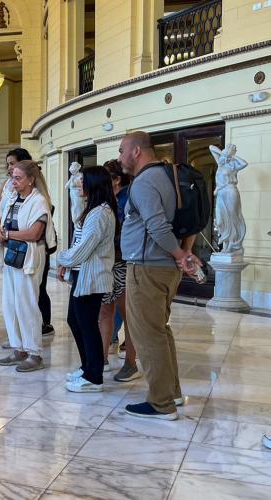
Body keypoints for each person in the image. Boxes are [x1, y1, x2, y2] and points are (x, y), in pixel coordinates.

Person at [119, 131, 200, 420]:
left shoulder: (144, 182)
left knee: (147, 335)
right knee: (160, 331)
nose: (120, 158)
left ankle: (160, 403)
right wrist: (184, 252)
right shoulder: (169, 175)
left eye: (121, 151)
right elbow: (191, 218)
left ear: (137, 151)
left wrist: (181, 256)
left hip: (147, 267)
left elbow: (156, 225)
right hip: (163, 268)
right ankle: (172, 393)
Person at [57, 166, 117, 393]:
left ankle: (94, 377)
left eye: (83, 181)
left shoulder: (101, 212)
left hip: (92, 275)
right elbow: (79, 240)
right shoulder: (91, 209)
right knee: (75, 320)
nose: (78, 185)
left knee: (87, 324)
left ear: (95, 184)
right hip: (82, 273)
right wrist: (67, 262)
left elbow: (85, 247)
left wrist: (62, 258)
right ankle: (87, 368)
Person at [0, 160, 56, 372]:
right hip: (12, 254)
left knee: (27, 304)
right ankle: (19, 348)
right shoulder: (13, 198)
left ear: (31, 180)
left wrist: (8, 234)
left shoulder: (39, 201)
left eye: (18, 177)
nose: (14, 181)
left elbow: (34, 233)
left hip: (29, 256)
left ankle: (35, 352)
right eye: (13, 176)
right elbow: (3, 223)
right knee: (10, 304)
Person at [102, 160, 140, 382]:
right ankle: (103, 357)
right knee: (105, 311)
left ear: (116, 180)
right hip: (110, 262)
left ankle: (131, 363)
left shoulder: (128, 200)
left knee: (129, 315)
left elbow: (126, 233)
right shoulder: (110, 199)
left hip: (125, 263)